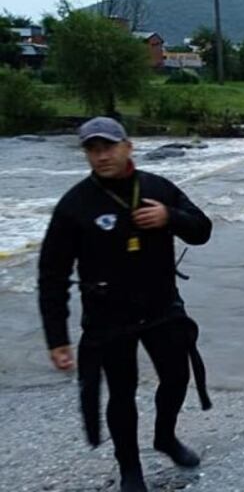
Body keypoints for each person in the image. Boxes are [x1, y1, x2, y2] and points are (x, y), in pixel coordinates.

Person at [38, 117, 214, 492]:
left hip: (161, 306)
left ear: (128, 146)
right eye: (92, 149)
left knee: (176, 377)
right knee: (122, 393)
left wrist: (170, 218)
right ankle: (130, 467)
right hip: (108, 316)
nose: (101, 156)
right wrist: (57, 338)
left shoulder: (156, 188)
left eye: (108, 147)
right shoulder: (75, 205)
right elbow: (51, 276)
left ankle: (165, 437)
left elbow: (202, 229)